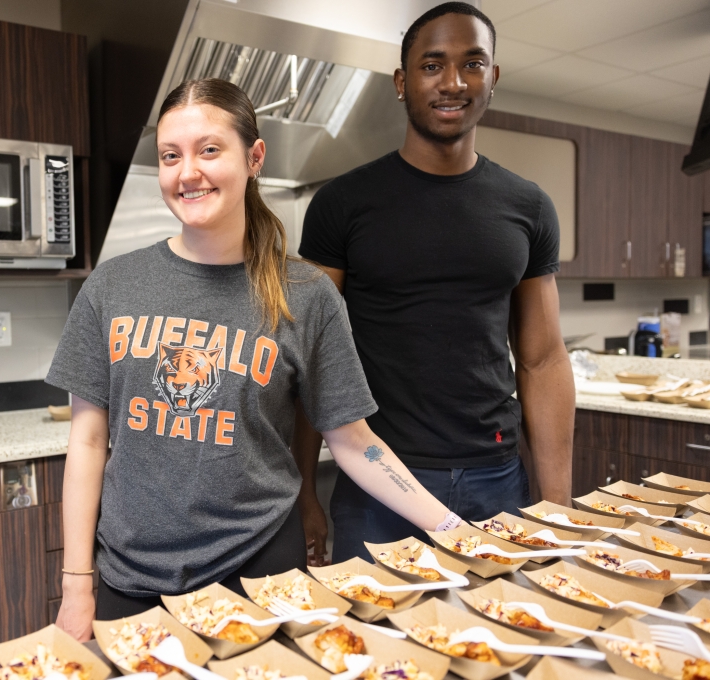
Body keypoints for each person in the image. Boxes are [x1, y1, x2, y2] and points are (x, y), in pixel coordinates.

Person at [47, 78, 462, 641]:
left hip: (259, 575)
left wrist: (452, 528)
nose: (186, 172)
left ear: (254, 157)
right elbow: (88, 442)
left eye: (209, 149)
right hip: (130, 578)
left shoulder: (307, 294)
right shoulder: (111, 286)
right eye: (171, 156)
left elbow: (354, 441)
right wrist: (77, 584)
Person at [296, 1, 575, 565]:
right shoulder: (343, 205)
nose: (453, 82)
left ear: (492, 78)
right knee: (380, 652)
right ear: (402, 82)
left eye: (472, 64)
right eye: (432, 65)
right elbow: (308, 357)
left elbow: (542, 359)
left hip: (497, 482)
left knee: (503, 643)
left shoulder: (529, 206)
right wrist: (304, 493)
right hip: (382, 483)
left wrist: (558, 508)